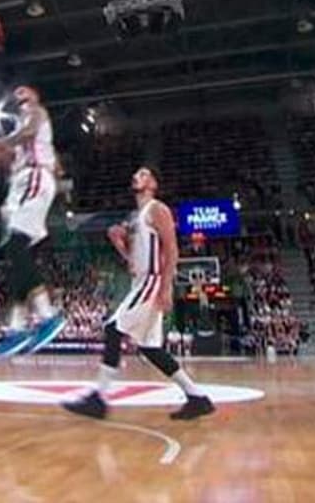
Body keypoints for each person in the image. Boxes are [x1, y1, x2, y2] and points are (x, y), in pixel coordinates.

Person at [63, 167, 215, 421]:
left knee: (112, 329)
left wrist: (166, 287)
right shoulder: (136, 216)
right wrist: (122, 247)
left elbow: (172, 249)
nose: (137, 175)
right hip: (141, 281)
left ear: (153, 183)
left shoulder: (158, 209)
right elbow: (128, 251)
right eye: (135, 173)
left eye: (144, 174)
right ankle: (197, 398)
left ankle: (98, 399)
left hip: (152, 282)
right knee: (150, 349)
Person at [0, 85, 66, 357]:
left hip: (34, 180)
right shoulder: (24, 125)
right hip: (25, 186)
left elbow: (29, 132)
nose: (19, 95)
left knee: (16, 248)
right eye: (16, 93)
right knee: (18, 260)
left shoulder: (36, 112)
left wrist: (0, 143)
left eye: (25, 91)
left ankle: (47, 316)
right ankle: (17, 327)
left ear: (36, 95)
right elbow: (56, 163)